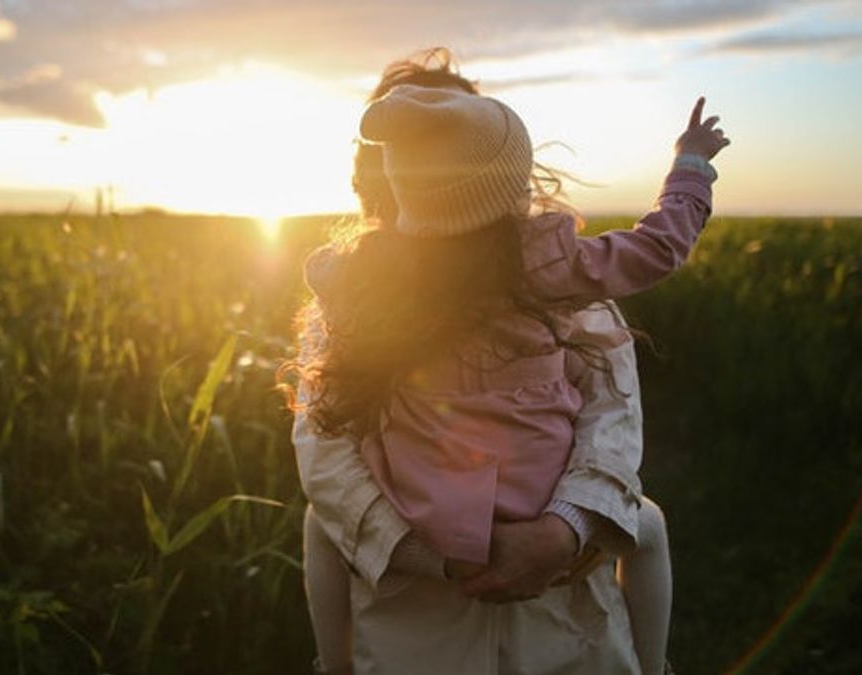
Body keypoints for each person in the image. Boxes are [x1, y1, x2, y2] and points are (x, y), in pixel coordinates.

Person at [288, 50, 729, 674]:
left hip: (565, 615)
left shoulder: (361, 285)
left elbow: (612, 418)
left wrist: (563, 531)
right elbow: (325, 451)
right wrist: (690, 169)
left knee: (318, 530)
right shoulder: (554, 270)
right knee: (647, 523)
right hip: (411, 615)